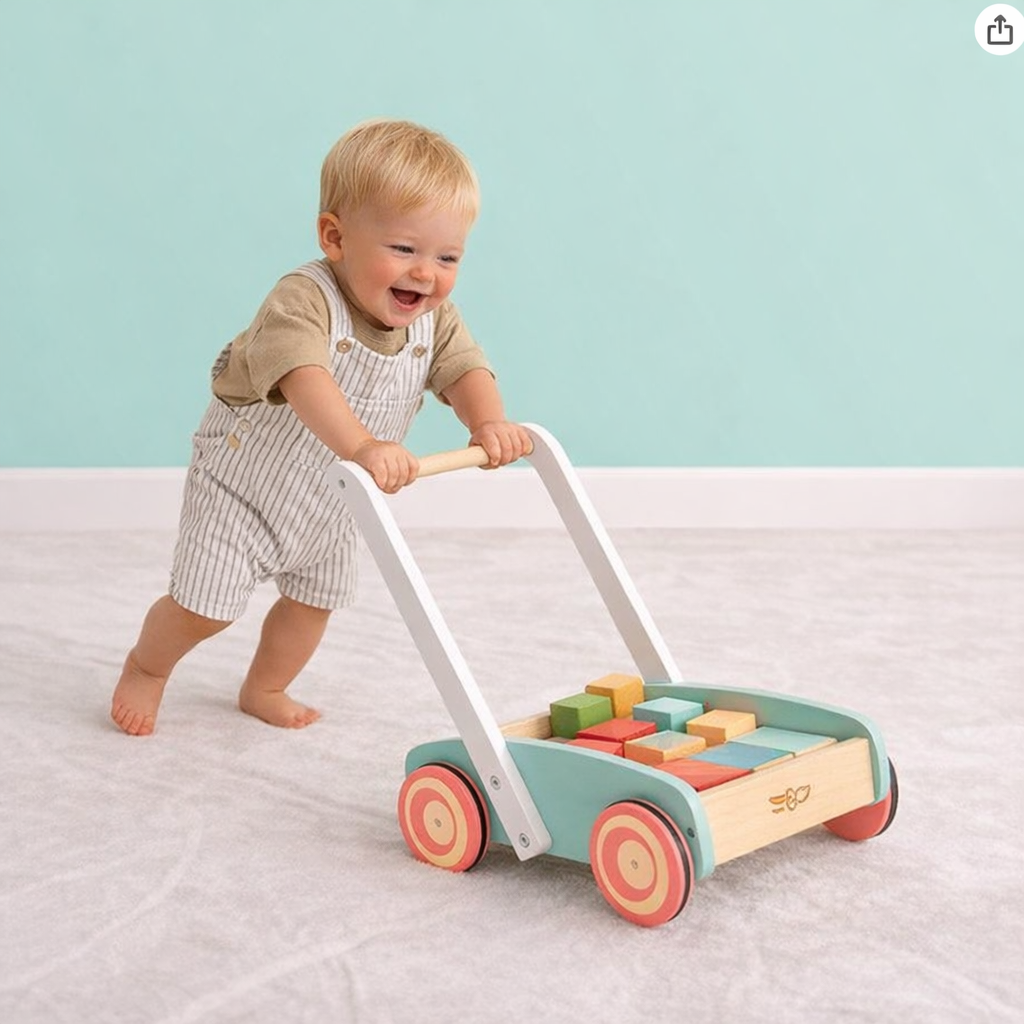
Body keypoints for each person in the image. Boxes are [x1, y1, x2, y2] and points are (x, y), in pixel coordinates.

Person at [111, 119, 530, 736]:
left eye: (447, 258)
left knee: (313, 602)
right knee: (205, 607)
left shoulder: (434, 321)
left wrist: (488, 421)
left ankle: (265, 685)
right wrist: (363, 445)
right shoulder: (302, 300)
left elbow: (464, 368)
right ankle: (147, 668)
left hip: (331, 499)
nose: (426, 273)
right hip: (243, 485)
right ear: (335, 237)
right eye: (404, 249)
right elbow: (305, 376)